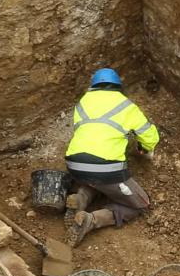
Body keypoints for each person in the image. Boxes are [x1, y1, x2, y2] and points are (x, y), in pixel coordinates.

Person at [63, 68, 159, 247]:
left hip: (74, 164)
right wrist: (145, 148)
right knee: (140, 204)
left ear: (94, 87)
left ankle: (81, 198)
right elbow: (150, 136)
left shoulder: (82, 103)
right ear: (118, 87)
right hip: (106, 170)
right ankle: (90, 220)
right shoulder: (125, 105)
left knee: (96, 179)